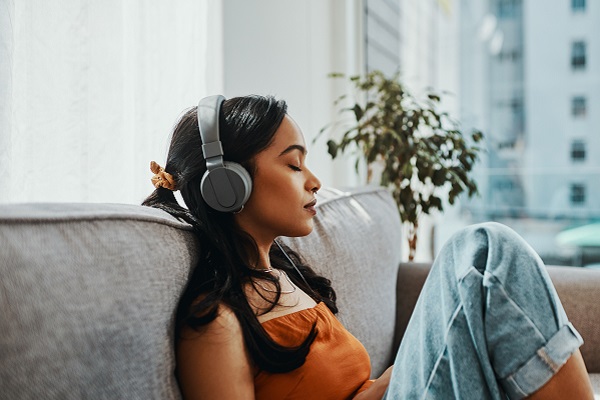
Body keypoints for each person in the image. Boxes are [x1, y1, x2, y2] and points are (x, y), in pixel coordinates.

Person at [143, 94, 594, 399]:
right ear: (227, 186)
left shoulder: (287, 279)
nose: (315, 181)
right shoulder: (215, 324)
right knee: (482, 252)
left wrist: (438, 340)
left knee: (484, 259)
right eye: (294, 165)